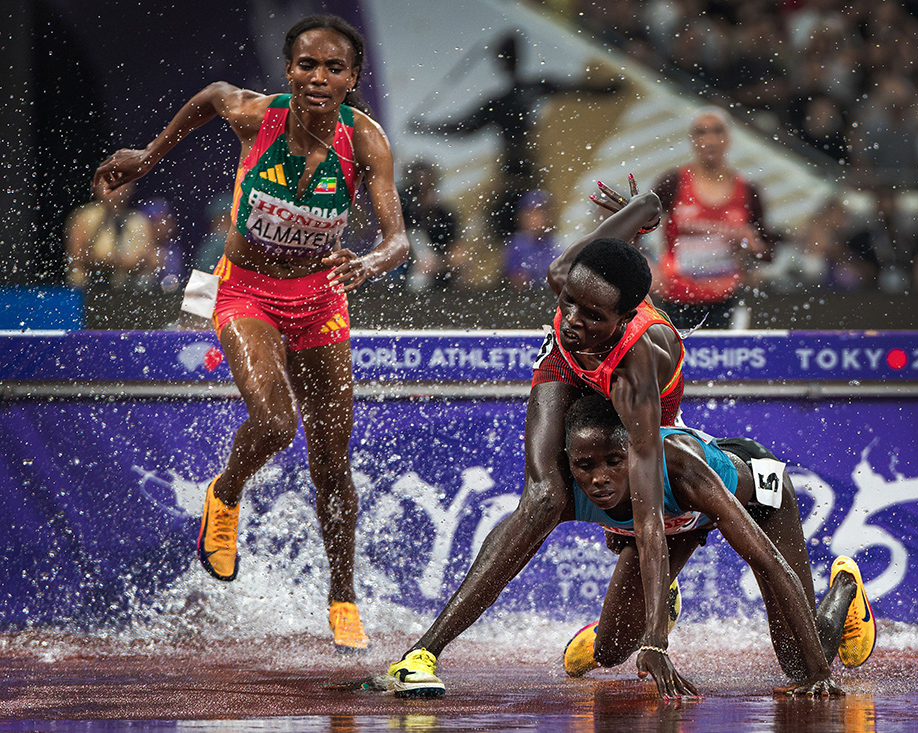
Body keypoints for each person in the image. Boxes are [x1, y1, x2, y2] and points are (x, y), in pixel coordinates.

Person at [93, 14, 409, 651]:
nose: (318, 78)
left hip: (321, 297)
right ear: (289, 70)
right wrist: (150, 157)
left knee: (331, 459)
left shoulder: (367, 141)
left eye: (334, 68)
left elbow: (398, 237)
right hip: (244, 288)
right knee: (273, 423)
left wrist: (375, 259)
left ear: (354, 78)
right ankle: (226, 492)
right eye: (306, 65)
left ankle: (342, 595)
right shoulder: (253, 115)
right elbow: (210, 94)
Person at [383, 177, 691, 698]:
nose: (572, 322)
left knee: (626, 569)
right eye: (567, 305)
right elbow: (632, 224)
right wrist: (642, 210)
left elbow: (648, 514)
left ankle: (647, 605)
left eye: (592, 315)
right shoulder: (565, 280)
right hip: (568, 372)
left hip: (634, 396)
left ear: (621, 317)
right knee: (544, 496)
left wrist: (656, 639)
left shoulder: (640, 368)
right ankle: (421, 653)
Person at [558, 396, 874, 696]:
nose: (598, 479)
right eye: (586, 466)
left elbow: (771, 564)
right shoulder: (573, 485)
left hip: (753, 497)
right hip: (682, 512)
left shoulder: (681, 469)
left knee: (797, 663)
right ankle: (662, 601)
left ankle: (846, 587)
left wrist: (819, 673)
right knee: (610, 652)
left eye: (613, 461)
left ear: (631, 454)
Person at [410, 32, 619, 241]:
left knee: (521, 231)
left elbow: (463, 128)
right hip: (523, 176)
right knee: (524, 231)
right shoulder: (530, 89)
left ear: (501, 64)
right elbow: (581, 88)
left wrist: (427, 127)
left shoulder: (504, 100)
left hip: (517, 176)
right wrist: (609, 89)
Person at [650, 107, 772, 330]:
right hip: (675, 298)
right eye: (701, 132)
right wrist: (648, 266)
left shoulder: (747, 191)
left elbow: (766, 251)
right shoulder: (672, 183)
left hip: (726, 300)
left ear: (728, 138)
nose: (710, 140)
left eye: (717, 131)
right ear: (692, 140)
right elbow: (633, 230)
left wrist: (751, 248)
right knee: (676, 363)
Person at [65, 179, 154, 291]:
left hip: (127, 290)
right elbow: (76, 258)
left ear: (131, 188)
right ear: (97, 187)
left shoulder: (139, 221)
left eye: (121, 183)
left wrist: (139, 262)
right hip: (88, 291)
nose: (116, 189)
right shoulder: (84, 218)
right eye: (109, 182)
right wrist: (115, 262)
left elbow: (151, 260)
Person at [397, 159, 459, 292]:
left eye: (428, 188)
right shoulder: (403, 211)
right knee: (414, 236)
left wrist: (440, 264)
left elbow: (455, 251)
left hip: (435, 270)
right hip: (403, 266)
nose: (423, 194)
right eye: (418, 189)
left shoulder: (443, 214)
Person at [503, 190, 560, 289]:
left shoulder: (559, 242)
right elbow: (517, 279)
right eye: (530, 213)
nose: (535, 218)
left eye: (540, 213)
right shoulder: (517, 244)